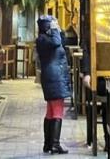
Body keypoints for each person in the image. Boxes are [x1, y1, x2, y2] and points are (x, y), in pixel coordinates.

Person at [36, 15, 70, 155]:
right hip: (55, 77)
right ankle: (55, 144)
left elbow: (63, 41)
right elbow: (57, 42)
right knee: (57, 110)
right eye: (52, 24)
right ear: (47, 26)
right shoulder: (44, 40)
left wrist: (59, 30)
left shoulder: (45, 39)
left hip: (53, 77)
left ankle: (48, 144)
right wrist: (55, 30)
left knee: (50, 111)